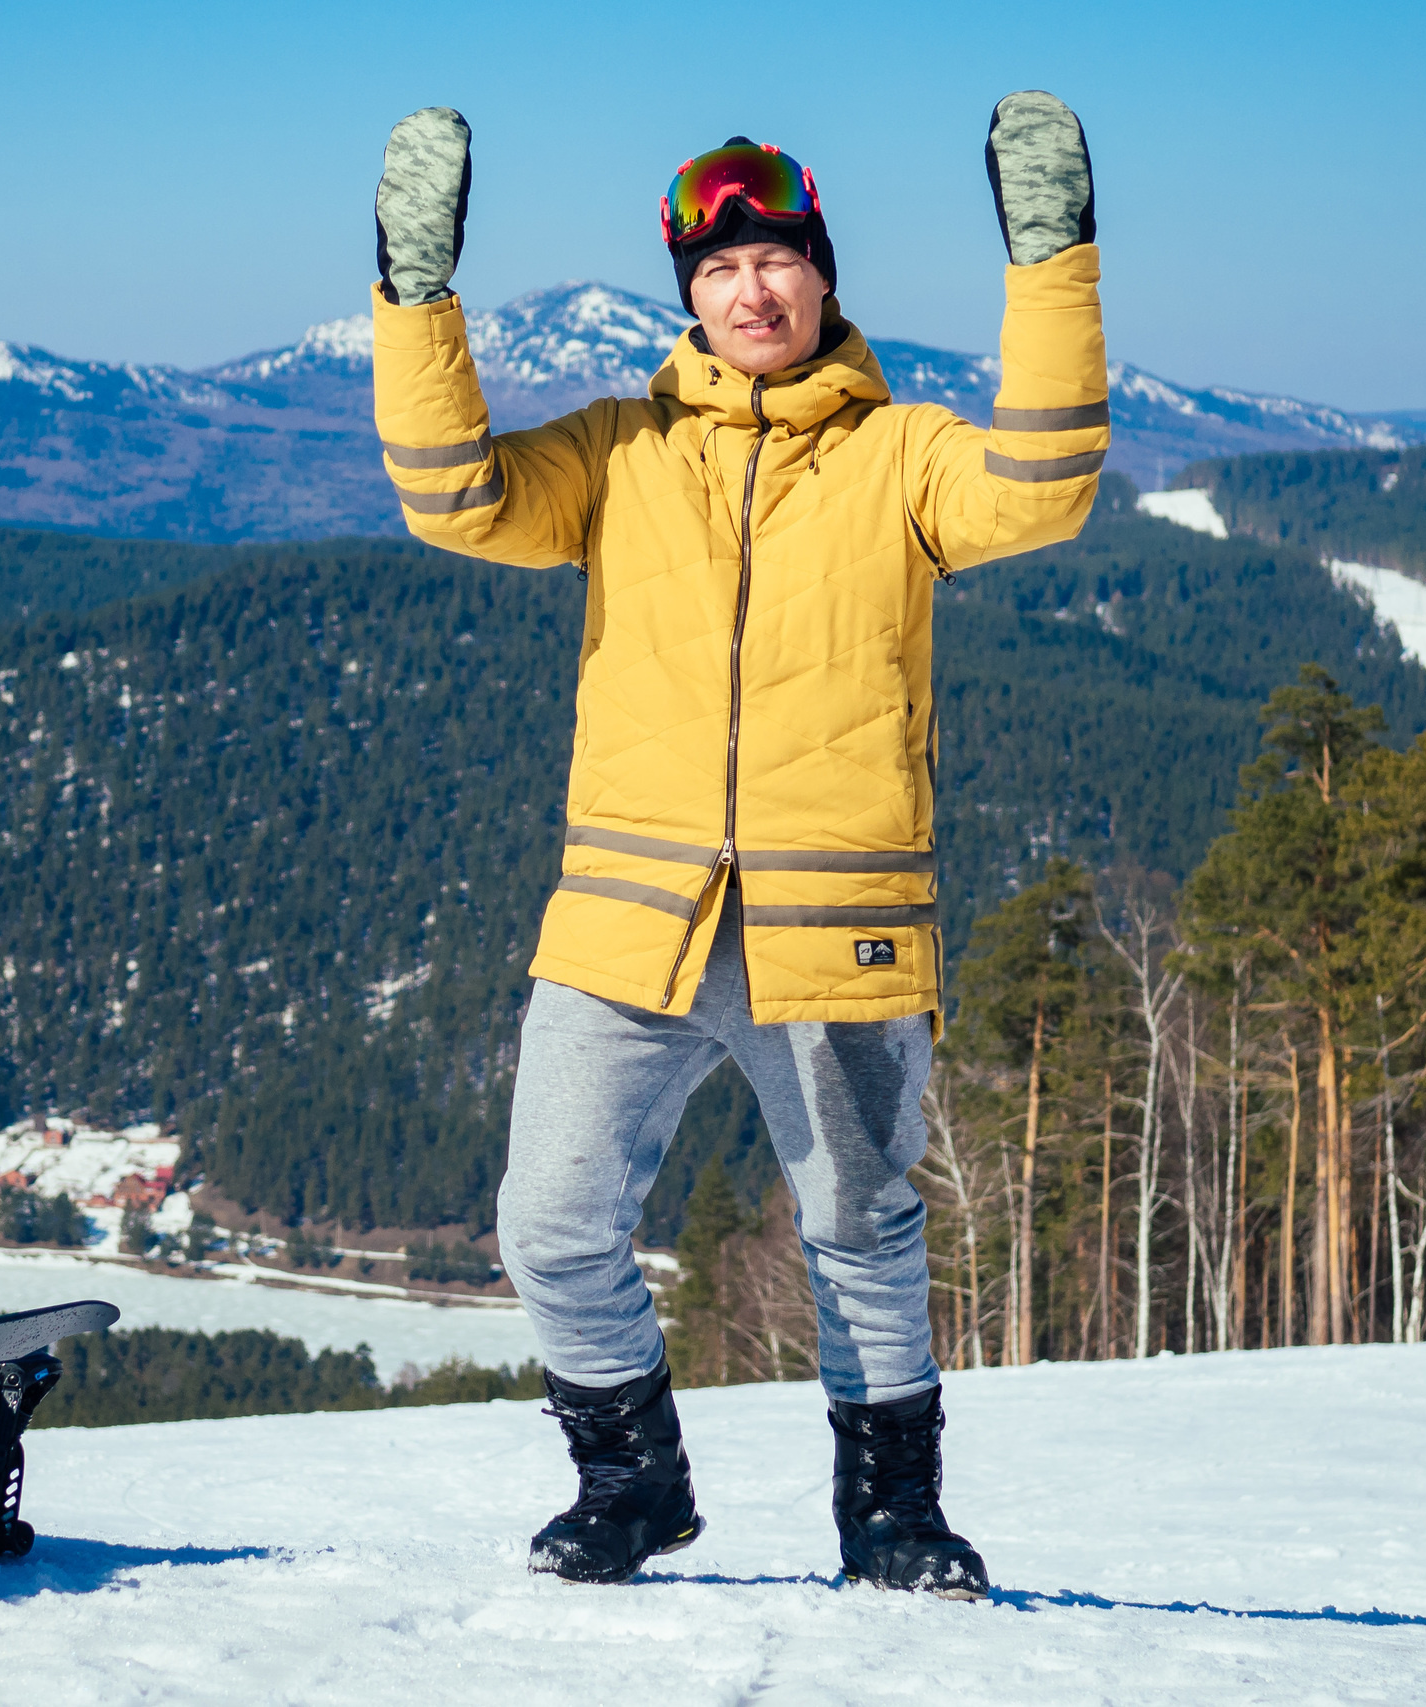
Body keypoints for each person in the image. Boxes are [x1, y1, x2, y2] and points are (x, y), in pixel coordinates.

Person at [368, 96, 1105, 1595]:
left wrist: (1053, 263)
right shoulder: (617, 452)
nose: (752, 289)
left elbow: (1045, 485)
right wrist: (414, 293)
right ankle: (632, 1484)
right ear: (689, 298)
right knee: (551, 1221)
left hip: (834, 929)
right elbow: (454, 501)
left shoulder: (906, 454)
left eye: (777, 258)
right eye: (720, 269)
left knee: (859, 1228)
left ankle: (894, 1515)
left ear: (824, 278)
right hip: (629, 923)